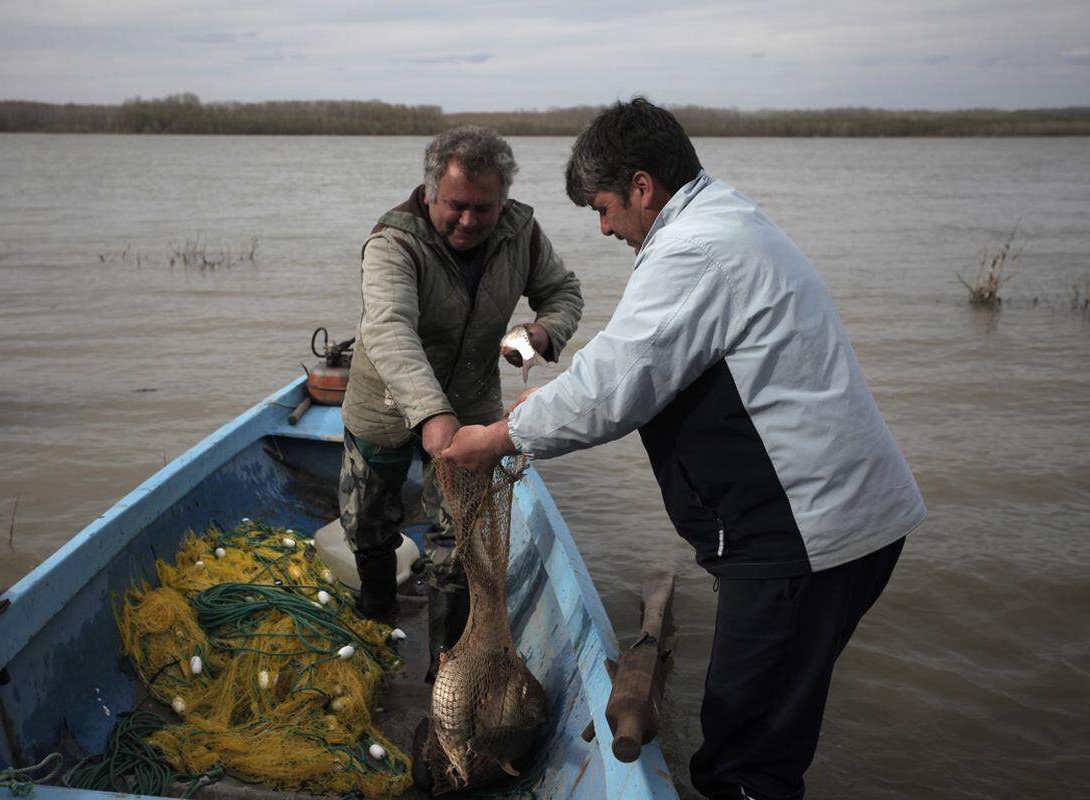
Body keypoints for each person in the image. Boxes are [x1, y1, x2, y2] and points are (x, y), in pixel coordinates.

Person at [442, 99, 926, 800]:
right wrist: (535, 409)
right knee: (764, 722)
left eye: (604, 206)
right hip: (823, 526)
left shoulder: (698, 247)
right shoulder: (721, 221)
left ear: (643, 187)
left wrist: (497, 436)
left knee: (744, 760)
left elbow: (616, 385)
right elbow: (633, 358)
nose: (604, 226)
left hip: (801, 539)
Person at [339, 126, 583, 673]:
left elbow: (563, 292)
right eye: (456, 206)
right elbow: (390, 331)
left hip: (472, 408)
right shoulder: (392, 243)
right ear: (429, 195)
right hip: (383, 407)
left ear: (503, 201)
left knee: (460, 542)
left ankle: (448, 667)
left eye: (484, 208)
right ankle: (376, 617)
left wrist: (541, 334)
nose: (470, 221)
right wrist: (430, 413)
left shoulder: (522, 231)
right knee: (368, 524)